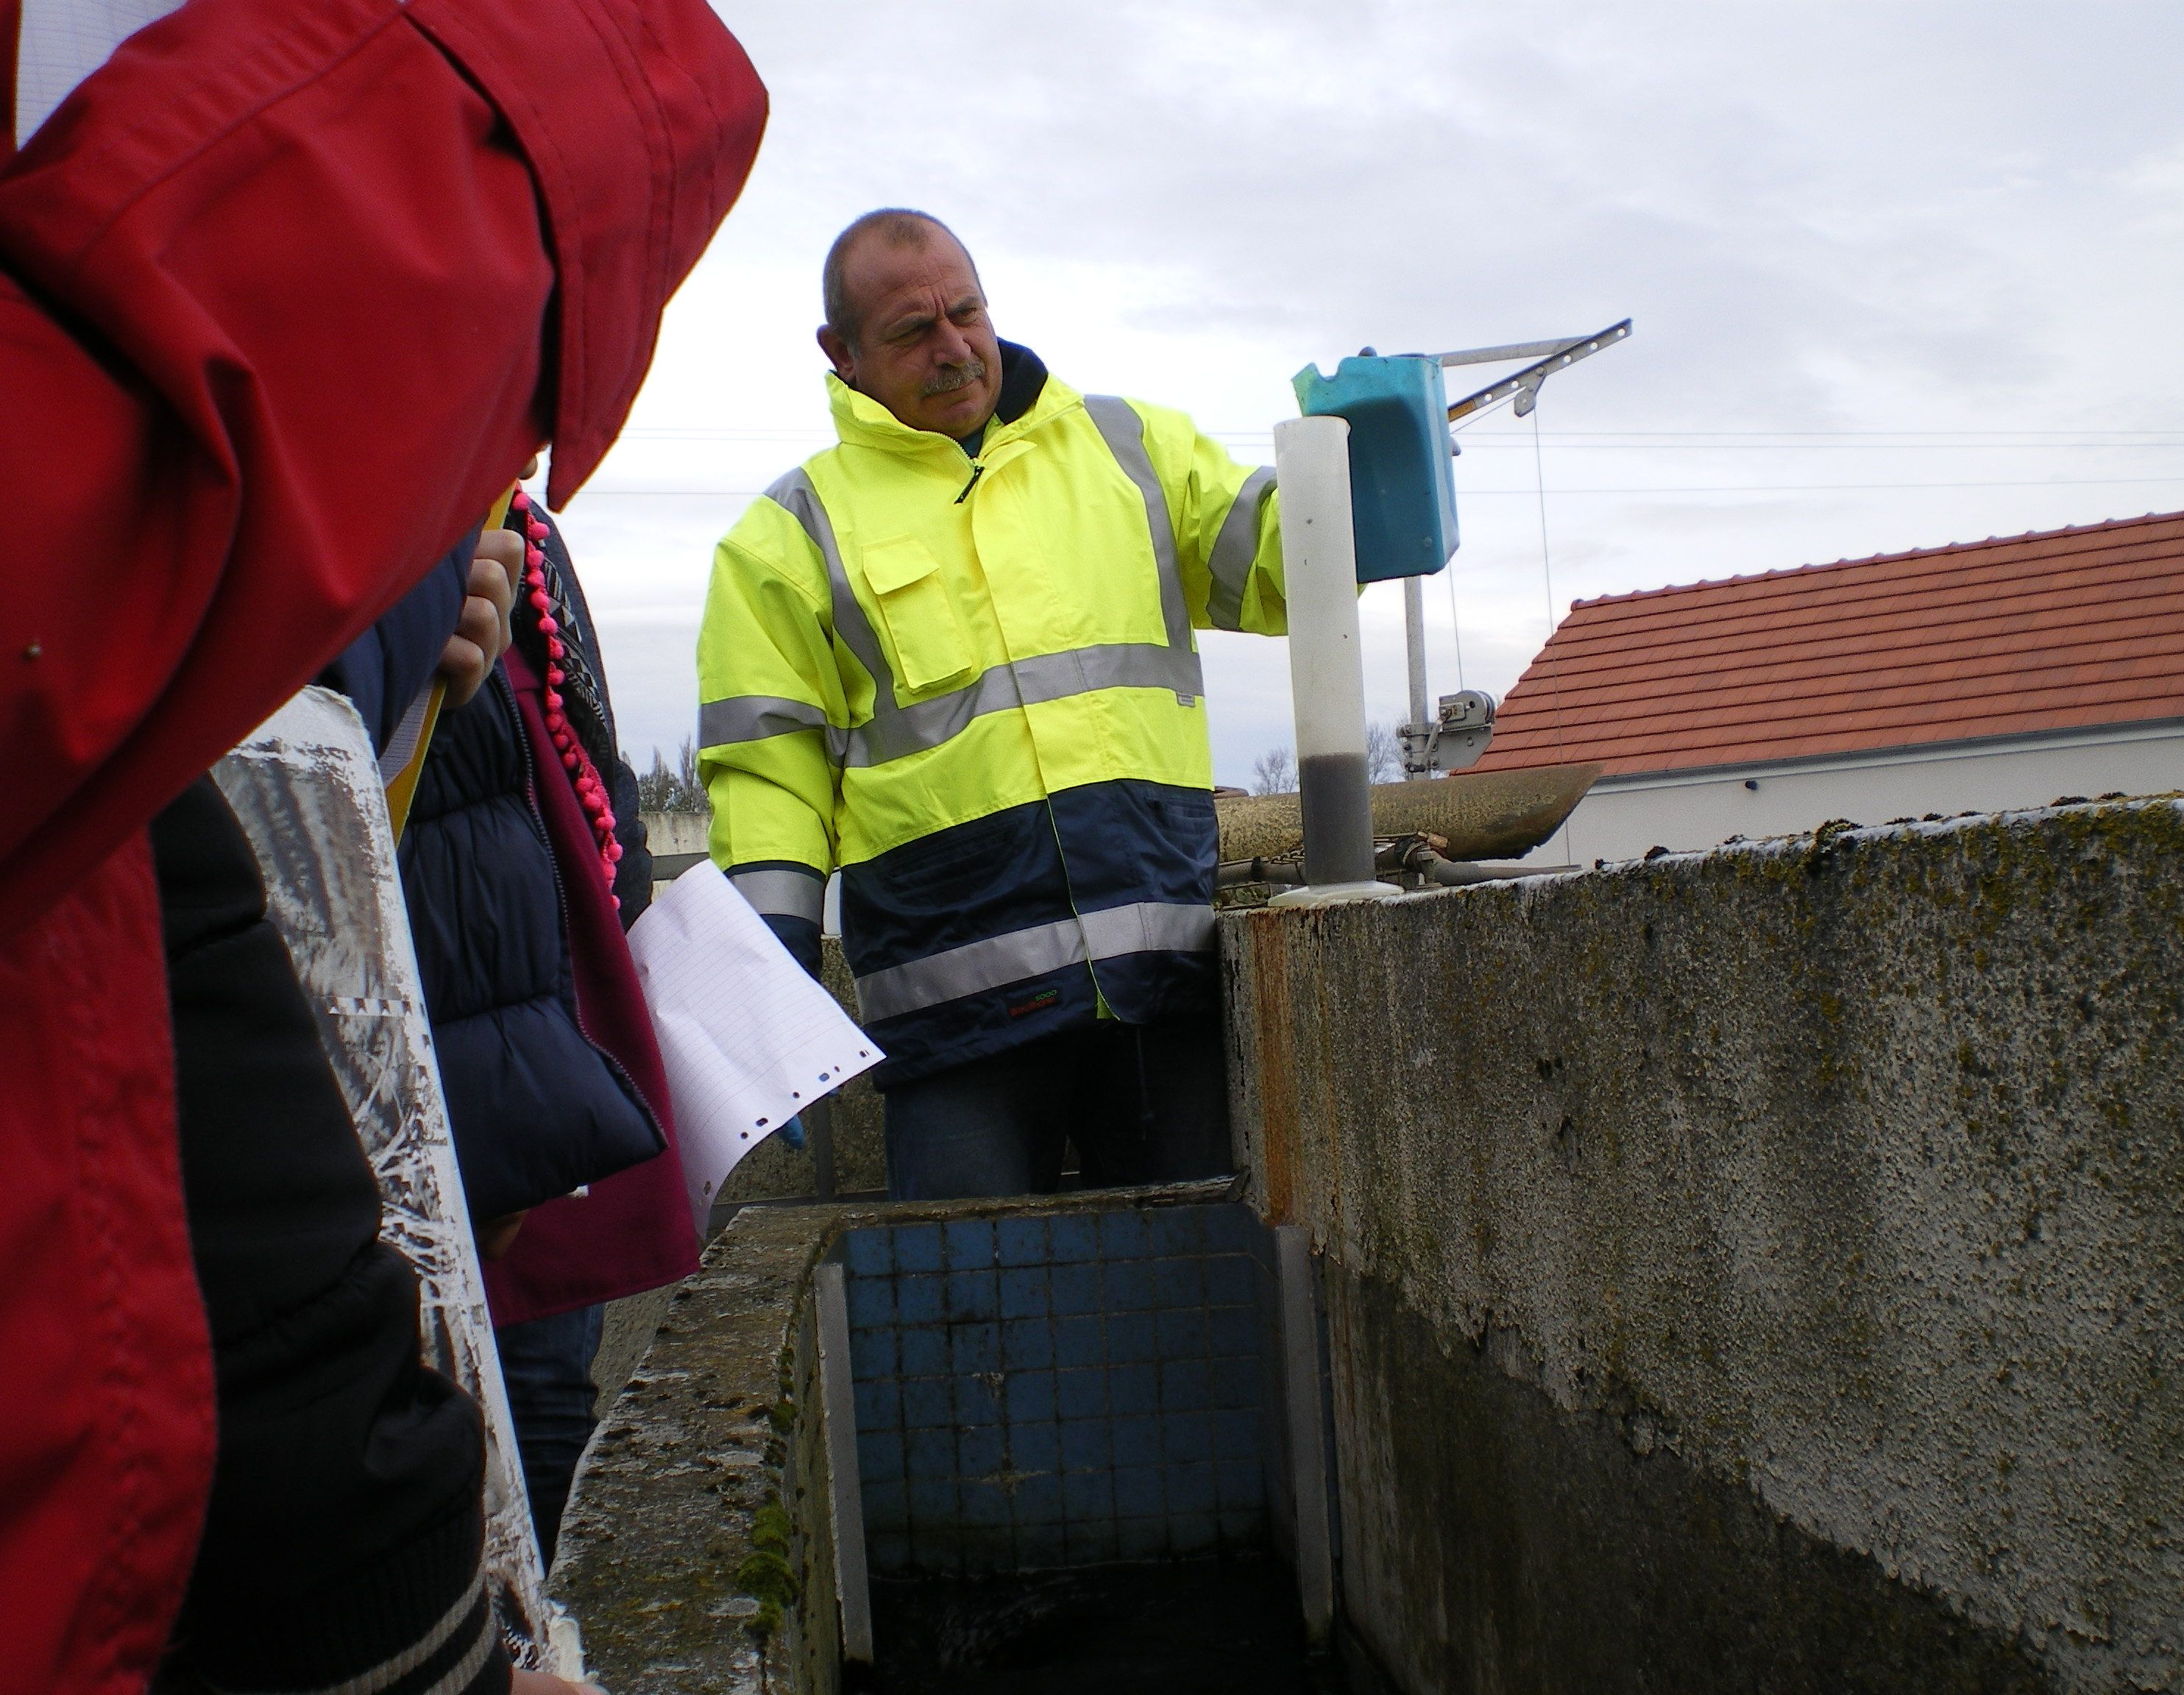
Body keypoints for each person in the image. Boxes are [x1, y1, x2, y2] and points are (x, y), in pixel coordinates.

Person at [0, 0, 764, 1688]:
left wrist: (413, 654)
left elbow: (523, 810)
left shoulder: (510, 544)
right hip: (310, 1188)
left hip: (448, 1112)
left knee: (535, 1414)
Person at [696, 209, 1288, 1202]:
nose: (955, 347)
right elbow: (768, 772)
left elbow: (1281, 565)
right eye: (912, 331)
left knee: (1198, 1288)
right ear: (841, 354)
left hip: (1158, 985)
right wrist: (772, 972)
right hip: (955, 1025)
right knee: (964, 1293)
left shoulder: (1128, 449)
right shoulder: (788, 535)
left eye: (966, 312)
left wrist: (1354, 488)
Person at [399, 486, 702, 1562]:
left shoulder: (522, 533)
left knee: (542, 1391)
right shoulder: (367, 521)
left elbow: (592, 765)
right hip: (412, 1041)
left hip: (536, 1028)